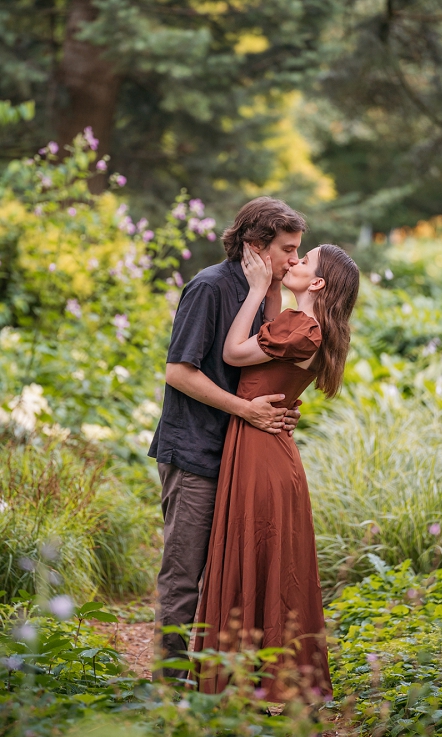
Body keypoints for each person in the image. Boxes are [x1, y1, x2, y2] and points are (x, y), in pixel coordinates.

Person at [148, 197, 308, 678]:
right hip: (196, 453)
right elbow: (178, 371)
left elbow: (259, 377)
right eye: (288, 250)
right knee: (184, 575)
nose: (295, 261)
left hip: (242, 456)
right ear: (256, 247)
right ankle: (171, 683)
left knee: (229, 573)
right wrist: (247, 411)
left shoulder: (267, 295)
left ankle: (219, 680)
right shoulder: (210, 288)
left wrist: (278, 411)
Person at [194, 242, 360, 702]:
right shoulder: (311, 326)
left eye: (304, 261)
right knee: (267, 559)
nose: (295, 262)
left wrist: (255, 287)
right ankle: (260, 679)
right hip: (267, 445)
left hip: (260, 450)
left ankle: (247, 683)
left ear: (319, 282)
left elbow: (232, 354)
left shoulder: (300, 327)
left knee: (254, 553)